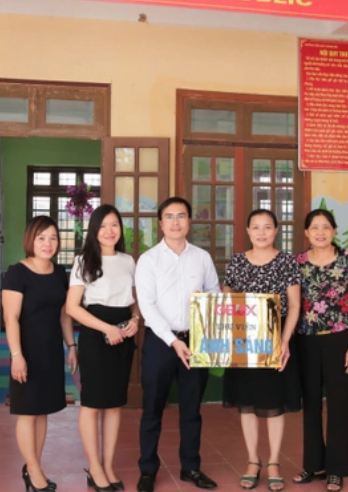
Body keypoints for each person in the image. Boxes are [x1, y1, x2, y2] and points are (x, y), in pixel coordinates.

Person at [135, 197, 221, 492]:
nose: (175, 222)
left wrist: (205, 298)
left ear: (188, 222)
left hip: (196, 340)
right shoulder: (148, 260)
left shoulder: (202, 257)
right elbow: (147, 307)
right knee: (152, 409)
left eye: (181, 216)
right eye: (169, 217)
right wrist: (172, 341)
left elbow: (215, 292)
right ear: (161, 224)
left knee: (191, 409)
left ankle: (191, 468)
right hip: (161, 342)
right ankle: (147, 469)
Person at [221, 209, 302, 492]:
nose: (262, 232)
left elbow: (294, 305)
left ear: (277, 231)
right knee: (247, 403)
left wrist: (284, 341)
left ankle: (274, 463)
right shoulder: (236, 262)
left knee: (274, 402)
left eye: (268, 227)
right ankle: (253, 461)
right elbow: (226, 299)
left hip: (275, 338)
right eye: (256, 227)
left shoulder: (286, 262)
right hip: (245, 339)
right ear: (247, 231)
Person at [64, 205, 141, 492]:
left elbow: (134, 299)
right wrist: (106, 328)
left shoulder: (128, 261)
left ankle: (108, 465)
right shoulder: (84, 261)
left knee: (114, 404)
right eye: (103, 225)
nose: (110, 231)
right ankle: (94, 467)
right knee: (94, 403)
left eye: (115, 225)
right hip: (97, 337)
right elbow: (73, 307)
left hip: (124, 335)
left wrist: (135, 319)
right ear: (94, 230)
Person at [2, 215, 78, 492]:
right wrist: (16, 355)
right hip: (27, 351)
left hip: (51, 352)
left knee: (43, 411)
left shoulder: (60, 274)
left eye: (53, 238)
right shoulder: (17, 273)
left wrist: (72, 346)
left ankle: (33, 465)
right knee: (27, 412)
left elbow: (64, 315)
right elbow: (11, 318)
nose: (48, 243)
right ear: (30, 240)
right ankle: (33, 471)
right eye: (41, 238)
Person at [293, 209, 348, 492]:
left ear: (334, 230)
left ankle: (335, 468)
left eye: (325, 227)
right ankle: (313, 464)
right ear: (306, 233)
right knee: (310, 403)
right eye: (314, 227)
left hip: (338, 339)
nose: (320, 232)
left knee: (338, 404)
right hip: (305, 340)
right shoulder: (296, 262)